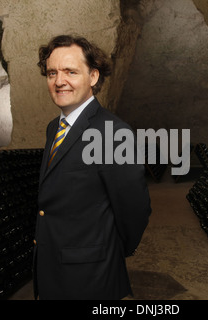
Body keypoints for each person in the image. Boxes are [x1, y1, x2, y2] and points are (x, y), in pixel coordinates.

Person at [33, 35, 151, 300]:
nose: (59, 81)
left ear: (93, 77)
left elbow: (135, 209)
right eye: (52, 73)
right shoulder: (55, 128)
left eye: (70, 72)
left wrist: (107, 252)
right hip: (52, 269)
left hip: (90, 278)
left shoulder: (111, 133)